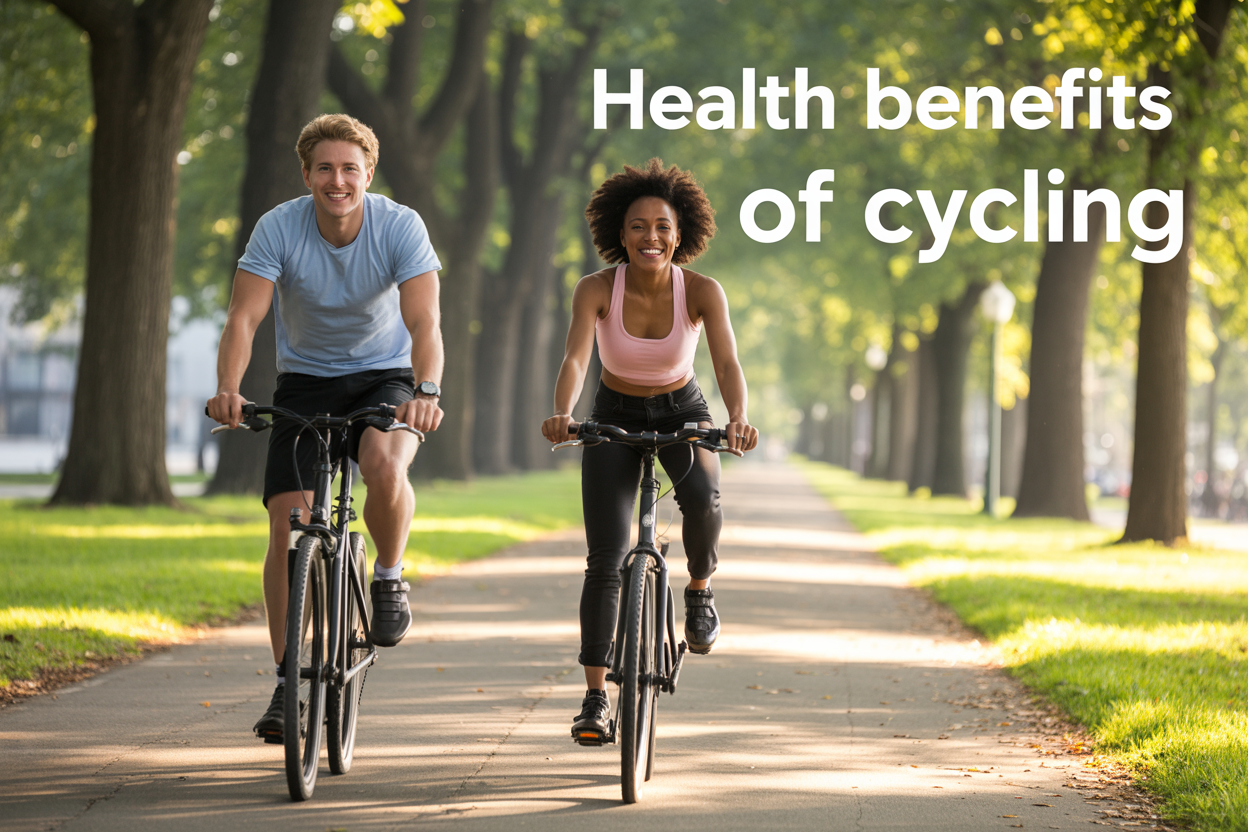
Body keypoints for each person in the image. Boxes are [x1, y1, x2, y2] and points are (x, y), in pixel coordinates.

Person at [206, 114, 444, 742]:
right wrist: (230, 389)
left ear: (368, 173)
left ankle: (388, 575)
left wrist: (426, 390)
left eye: (349, 169)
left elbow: (425, 324)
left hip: (386, 377)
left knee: (384, 464)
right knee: (289, 529)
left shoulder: (399, 226)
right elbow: (244, 318)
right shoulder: (278, 227)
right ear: (306, 174)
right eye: (324, 169)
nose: (337, 181)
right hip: (304, 382)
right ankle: (289, 680)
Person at [541, 159, 759, 742]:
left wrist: (737, 420)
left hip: (682, 409)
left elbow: (726, 362)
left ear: (680, 234)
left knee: (704, 499)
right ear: (620, 233)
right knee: (605, 559)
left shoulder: (703, 291)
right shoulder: (595, 288)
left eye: (662, 227)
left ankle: (699, 590)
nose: (651, 237)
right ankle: (594, 698)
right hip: (612, 410)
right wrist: (565, 413)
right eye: (638, 226)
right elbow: (576, 359)